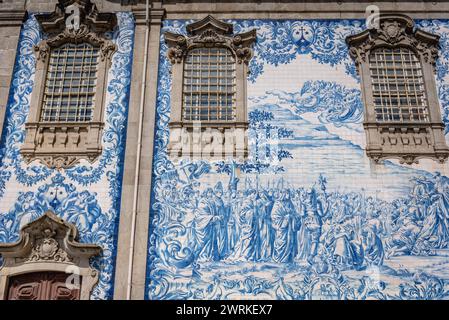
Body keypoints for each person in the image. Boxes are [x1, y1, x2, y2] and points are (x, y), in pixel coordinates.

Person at [272, 189, 297, 263]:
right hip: (281, 226)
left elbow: (294, 212)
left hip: (289, 227)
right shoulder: (277, 204)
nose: (288, 195)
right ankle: (279, 258)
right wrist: (285, 218)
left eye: (288, 194)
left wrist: (292, 216)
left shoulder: (289, 203)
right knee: (281, 242)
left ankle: (287, 259)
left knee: (289, 242)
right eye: (287, 194)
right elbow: (274, 216)